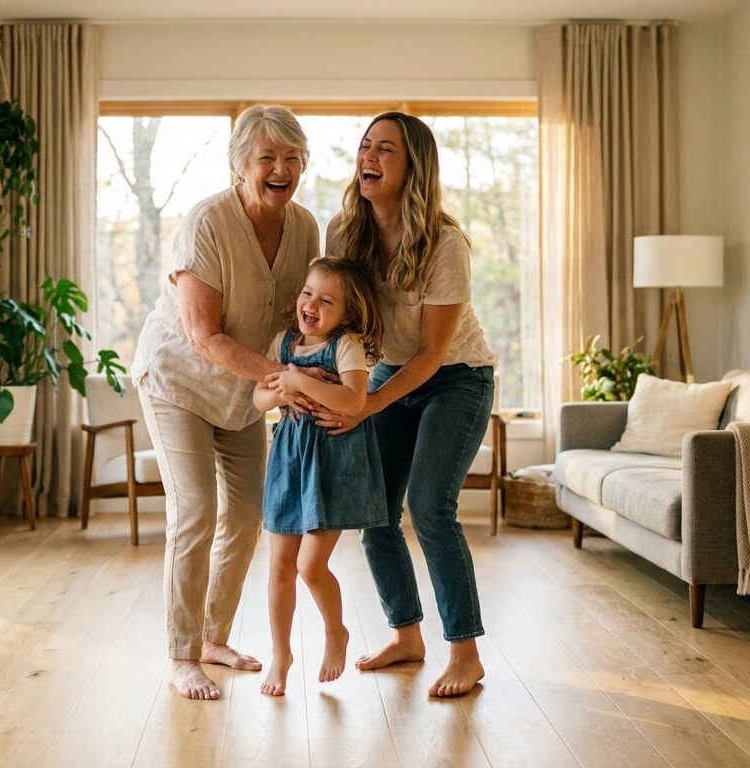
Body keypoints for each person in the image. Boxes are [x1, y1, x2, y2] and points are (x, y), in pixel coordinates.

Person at [129, 105, 320, 701]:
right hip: (180, 383)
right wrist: (287, 379)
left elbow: (302, 314)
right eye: (268, 158)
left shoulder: (305, 227)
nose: (281, 169)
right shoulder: (208, 222)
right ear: (241, 165)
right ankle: (181, 655)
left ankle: (213, 638)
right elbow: (203, 336)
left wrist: (322, 371)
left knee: (245, 513)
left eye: (292, 158)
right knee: (195, 509)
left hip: (242, 392)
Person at [313, 112, 497, 698]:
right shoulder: (345, 233)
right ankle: (406, 636)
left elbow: (430, 353)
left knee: (430, 506)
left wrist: (364, 405)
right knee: (375, 511)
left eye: (384, 149)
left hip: (456, 378)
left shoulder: (445, 243)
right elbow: (338, 321)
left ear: (413, 166)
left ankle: (465, 653)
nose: (368, 157)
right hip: (390, 373)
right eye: (365, 146)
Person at [253, 257, 386, 696]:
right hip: (289, 461)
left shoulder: (347, 345)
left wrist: (298, 382)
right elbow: (259, 398)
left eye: (327, 301)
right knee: (279, 567)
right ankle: (281, 655)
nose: (311, 305)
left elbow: (353, 401)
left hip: (332, 464)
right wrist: (281, 389)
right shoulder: (283, 342)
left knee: (310, 565)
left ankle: (335, 631)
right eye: (307, 293)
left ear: (346, 314)